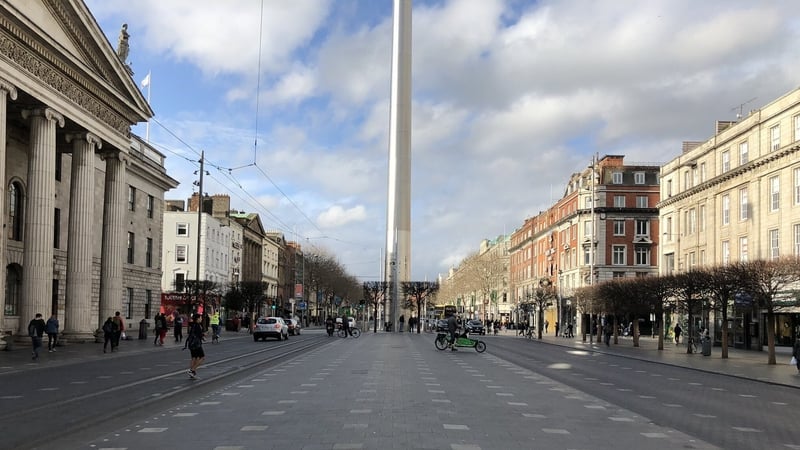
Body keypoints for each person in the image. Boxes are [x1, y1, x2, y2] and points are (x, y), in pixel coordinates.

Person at [184, 313, 206, 379]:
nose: (201, 319)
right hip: (197, 344)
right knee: (202, 357)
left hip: (191, 344)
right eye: (200, 318)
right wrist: (204, 336)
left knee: (194, 357)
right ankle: (192, 370)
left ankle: (192, 372)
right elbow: (199, 335)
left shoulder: (192, 325)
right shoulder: (198, 325)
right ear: (197, 319)